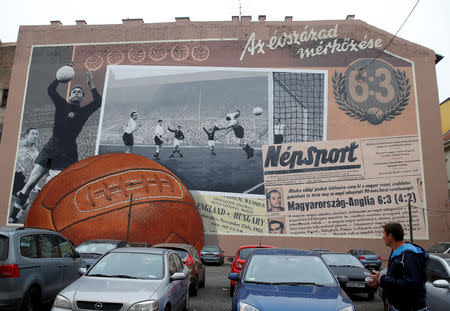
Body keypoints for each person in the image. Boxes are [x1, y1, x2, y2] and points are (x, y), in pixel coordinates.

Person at [13, 69, 102, 216]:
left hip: (67, 153)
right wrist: (59, 79)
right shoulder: (62, 105)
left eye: (80, 92)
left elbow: (98, 102)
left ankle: (46, 214)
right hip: (51, 148)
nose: (77, 93)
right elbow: (51, 90)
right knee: (28, 186)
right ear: (69, 95)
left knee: (55, 189)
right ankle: (15, 214)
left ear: (81, 98)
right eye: (74, 91)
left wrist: (90, 84)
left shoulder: (84, 111)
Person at [367, 222, 429, 311]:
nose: (382, 237)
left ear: (390, 236)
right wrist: (379, 281)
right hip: (398, 306)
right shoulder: (396, 252)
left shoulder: (409, 255)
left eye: (383, 234)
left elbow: (410, 283)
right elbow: (396, 278)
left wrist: (381, 279)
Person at [9, 128, 39, 223]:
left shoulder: (35, 152)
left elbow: (36, 169)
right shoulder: (17, 144)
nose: (35, 136)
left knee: (25, 202)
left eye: (37, 134)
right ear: (26, 135)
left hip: (18, 176)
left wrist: (35, 184)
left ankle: (13, 220)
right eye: (33, 133)